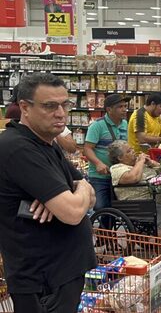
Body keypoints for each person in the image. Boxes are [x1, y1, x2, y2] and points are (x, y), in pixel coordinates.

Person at [0, 73, 96, 312]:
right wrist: (77, 190)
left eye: (65, 104)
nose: (61, 113)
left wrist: (78, 188)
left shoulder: (46, 143)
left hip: (60, 273)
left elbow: (89, 193)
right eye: (50, 106)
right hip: (42, 279)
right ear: (24, 107)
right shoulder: (18, 148)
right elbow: (73, 212)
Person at [84, 94, 130, 213]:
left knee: (119, 208)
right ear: (109, 109)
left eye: (125, 106)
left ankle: (111, 231)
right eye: (120, 106)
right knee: (101, 207)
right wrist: (98, 163)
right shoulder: (97, 126)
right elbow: (87, 149)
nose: (125, 109)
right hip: (100, 177)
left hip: (119, 175)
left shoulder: (125, 124)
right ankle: (103, 232)